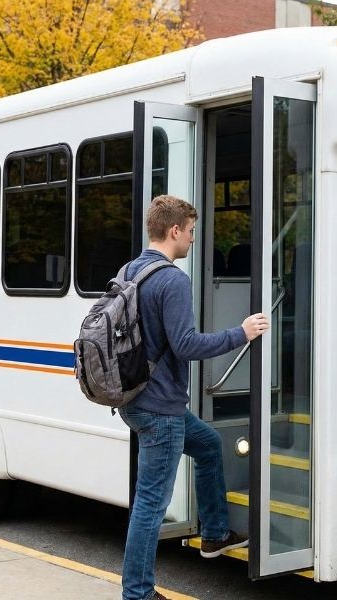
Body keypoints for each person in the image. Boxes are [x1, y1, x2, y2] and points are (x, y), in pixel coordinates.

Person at [118, 195, 269, 600]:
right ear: (174, 231)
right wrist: (242, 333)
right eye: (191, 232)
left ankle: (215, 534)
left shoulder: (131, 270)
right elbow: (185, 345)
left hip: (136, 400)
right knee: (150, 505)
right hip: (161, 409)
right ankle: (137, 594)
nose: (193, 240)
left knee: (207, 444)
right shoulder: (171, 279)